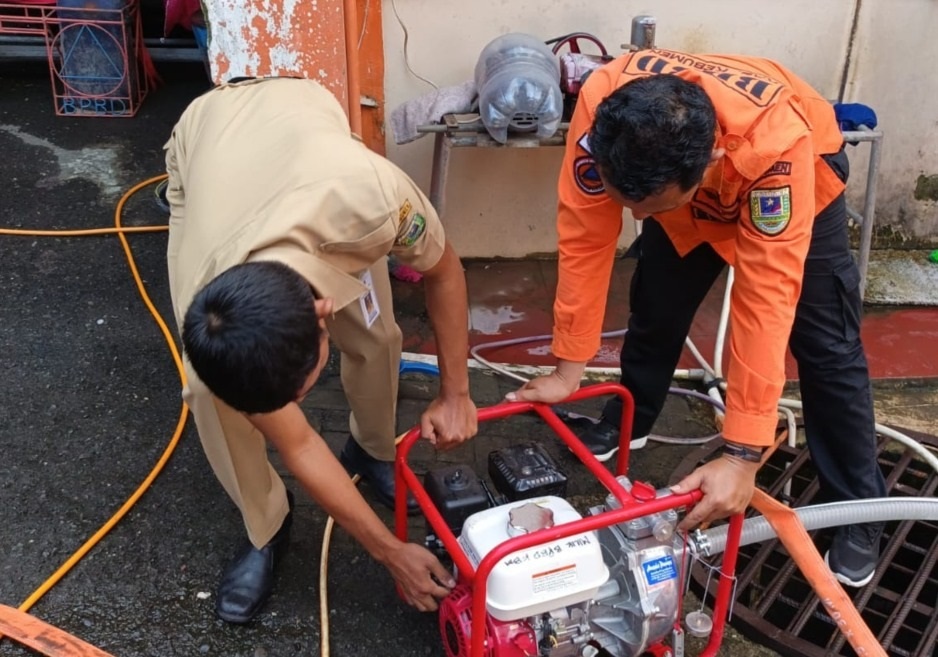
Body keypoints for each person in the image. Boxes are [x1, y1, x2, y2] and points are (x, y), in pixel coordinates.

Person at [506, 48, 887, 588]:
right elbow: (585, 239)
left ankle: (857, 508)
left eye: (648, 209)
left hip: (792, 170)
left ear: (705, 167)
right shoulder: (604, 108)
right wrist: (570, 365)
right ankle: (628, 422)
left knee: (826, 346)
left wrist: (741, 453)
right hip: (677, 179)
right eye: (629, 202)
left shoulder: (777, 148)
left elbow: (764, 302)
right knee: (656, 300)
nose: (636, 218)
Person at [164, 76, 478, 623]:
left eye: (300, 392)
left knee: (379, 337)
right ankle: (266, 523)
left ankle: (372, 448)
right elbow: (300, 443)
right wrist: (387, 550)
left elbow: (445, 271)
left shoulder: (377, 200)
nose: (291, 413)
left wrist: (457, 393)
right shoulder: (210, 294)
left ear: (320, 312)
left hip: (300, 114)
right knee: (207, 392)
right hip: (206, 139)